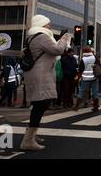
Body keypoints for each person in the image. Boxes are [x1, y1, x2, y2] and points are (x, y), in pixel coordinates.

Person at [20, 14, 70, 151]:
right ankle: (28, 140)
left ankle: (31, 134)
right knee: (40, 105)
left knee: (39, 104)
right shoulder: (41, 36)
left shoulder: (32, 37)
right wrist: (64, 38)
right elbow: (58, 50)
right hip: (41, 75)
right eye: (48, 24)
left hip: (37, 74)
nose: (50, 26)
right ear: (41, 24)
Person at [74, 47, 101, 112]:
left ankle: (76, 107)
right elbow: (99, 65)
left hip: (85, 78)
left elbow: (81, 69)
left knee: (81, 91)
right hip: (94, 78)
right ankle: (95, 107)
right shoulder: (94, 58)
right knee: (95, 92)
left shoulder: (83, 59)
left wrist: (78, 76)